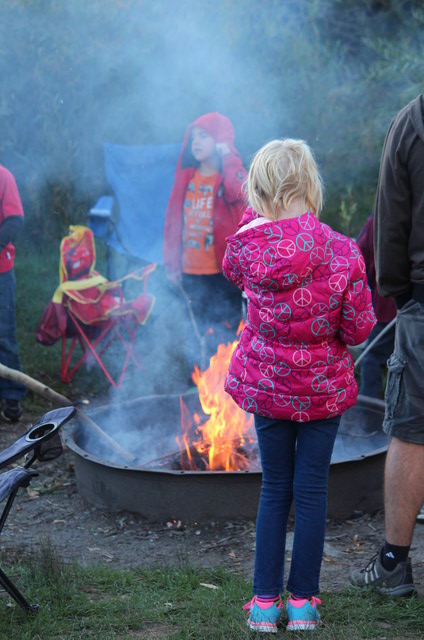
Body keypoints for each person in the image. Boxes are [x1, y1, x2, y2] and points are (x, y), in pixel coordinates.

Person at [222, 139, 376, 632]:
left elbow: (231, 270)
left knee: (274, 490)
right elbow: (357, 330)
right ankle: (305, 604)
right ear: (311, 187)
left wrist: (256, 219)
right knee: (311, 492)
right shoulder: (343, 251)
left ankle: (265, 606)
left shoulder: (245, 249)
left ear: (258, 192)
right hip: (322, 394)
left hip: (268, 388)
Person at [350, 95, 424, 596]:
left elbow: (389, 223)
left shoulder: (412, 121)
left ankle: (394, 564)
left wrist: (401, 296)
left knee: (412, 431)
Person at [163, 112, 246, 375]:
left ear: (219, 140)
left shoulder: (228, 176)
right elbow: (173, 220)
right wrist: (171, 264)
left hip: (224, 273)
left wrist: (229, 156)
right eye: (193, 137)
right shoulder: (186, 176)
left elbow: (241, 193)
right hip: (191, 272)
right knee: (196, 331)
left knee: (227, 333)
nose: (195, 142)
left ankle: (229, 387)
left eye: (204, 136)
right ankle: (199, 389)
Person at [356, 213, 396, 398]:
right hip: (390, 306)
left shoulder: (379, 220)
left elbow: (357, 259)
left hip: (390, 305)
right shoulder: (376, 221)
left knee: (373, 358)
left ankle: (365, 418)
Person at [0, 163, 26, 421]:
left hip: (0, 272)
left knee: (4, 336)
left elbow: (15, 219)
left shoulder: (3, 176)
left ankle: (12, 397)